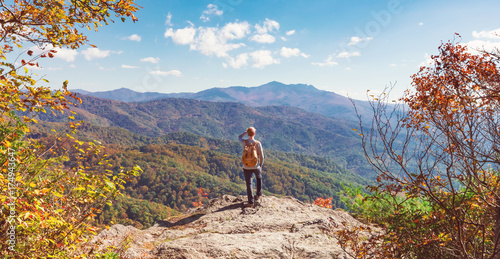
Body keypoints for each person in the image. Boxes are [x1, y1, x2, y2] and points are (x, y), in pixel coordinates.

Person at [239, 127, 264, 207]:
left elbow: (239, 136)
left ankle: (250, 202)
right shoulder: (257, 143)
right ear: (254, 134)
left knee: (249, 184)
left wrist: (246, 132)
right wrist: (260, 165)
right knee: (259, 178)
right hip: (256, 165)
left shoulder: (244, 142)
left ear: (248, 133)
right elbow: (262, 157)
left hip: (246, 166)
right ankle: (258, 194)